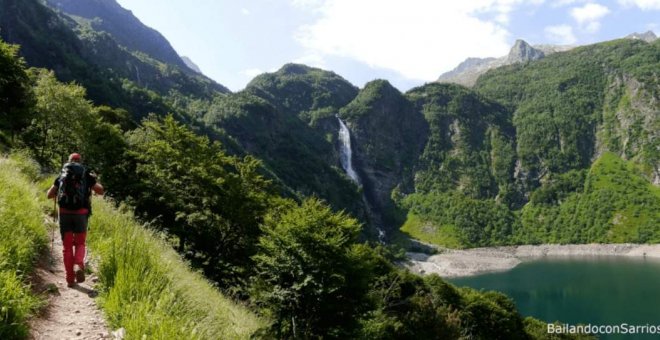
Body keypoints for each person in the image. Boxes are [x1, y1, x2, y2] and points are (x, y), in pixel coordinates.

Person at [47, 153, 104, 288]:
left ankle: (70, 279)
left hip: (65, 213)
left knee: (67, 247)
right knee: (80, 243)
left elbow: (49, 195)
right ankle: (79, 264)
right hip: (81, 214)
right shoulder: (86, 175)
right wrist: (93, 182)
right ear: (80, 161)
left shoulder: (62, 175)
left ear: (69, 161)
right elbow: (100, 191)